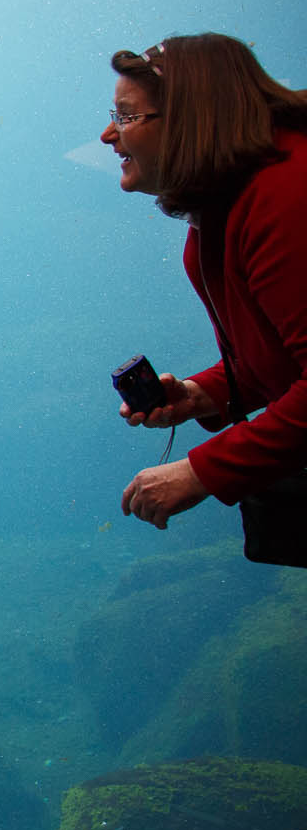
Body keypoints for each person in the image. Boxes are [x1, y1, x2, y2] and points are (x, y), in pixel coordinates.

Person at [103, 34, 307, 547]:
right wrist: (206, 394)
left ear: (192, 119)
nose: (108, 134)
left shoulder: (285, 198)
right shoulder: (224, 200)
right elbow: (286, 352)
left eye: (127, 117)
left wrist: (200, 472)